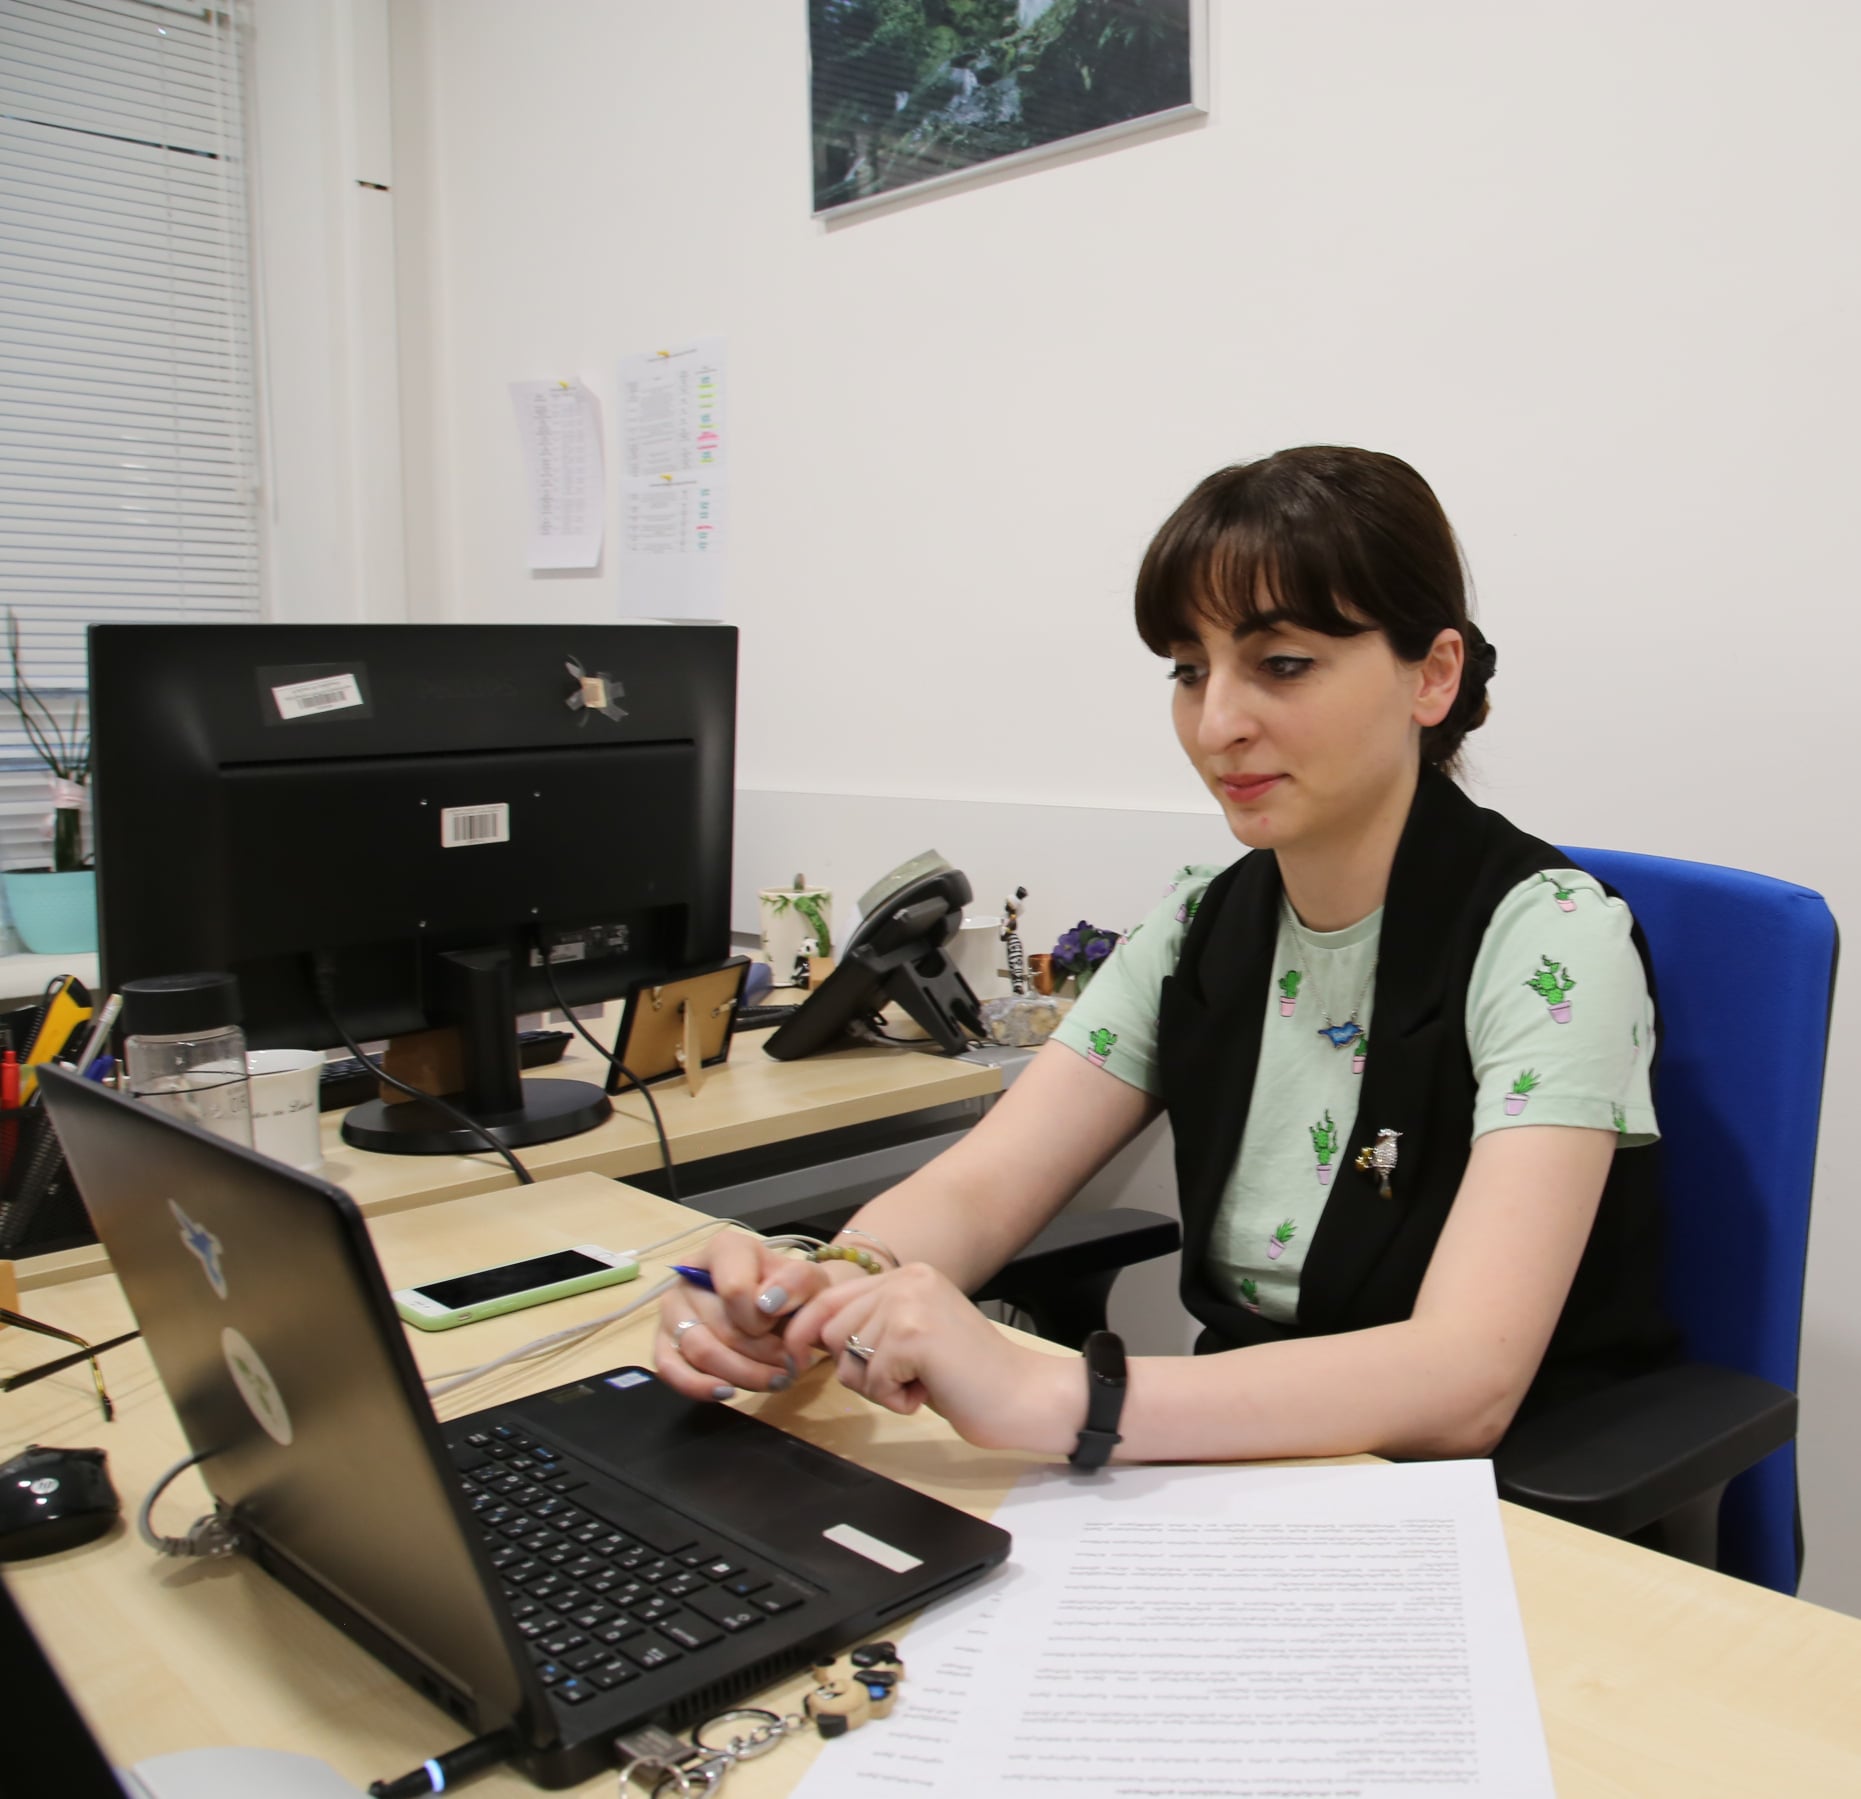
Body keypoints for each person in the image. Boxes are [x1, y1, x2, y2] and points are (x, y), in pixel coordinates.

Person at [656, 446, 1676, 1465]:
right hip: (1237, 1472)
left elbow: (1464, 1382)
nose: (1216, 723)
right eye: (1189, 671)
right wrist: (823, 1285)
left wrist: (1053, 1391)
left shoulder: (1547, 940)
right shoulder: (1199, 926)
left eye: (1282, 664)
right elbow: (981, 1187)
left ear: (1432, 673)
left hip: (1485, 1501)